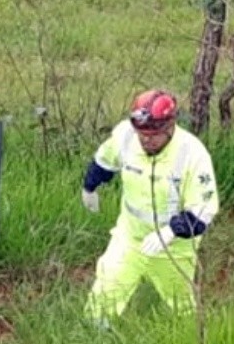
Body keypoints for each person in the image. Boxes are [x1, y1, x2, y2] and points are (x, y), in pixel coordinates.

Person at [79, 89, 219, 325]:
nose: (146, 139)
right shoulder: (126, 136)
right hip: (130, 237)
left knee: (182, 305)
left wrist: (170, 231)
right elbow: (104, 161)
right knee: (105, 292)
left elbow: (205, 208)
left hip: (174, 247)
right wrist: (89, 187)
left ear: (170, 126)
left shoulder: (192, 153)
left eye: (153, 134)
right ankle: (93, 339)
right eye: (142, 133)